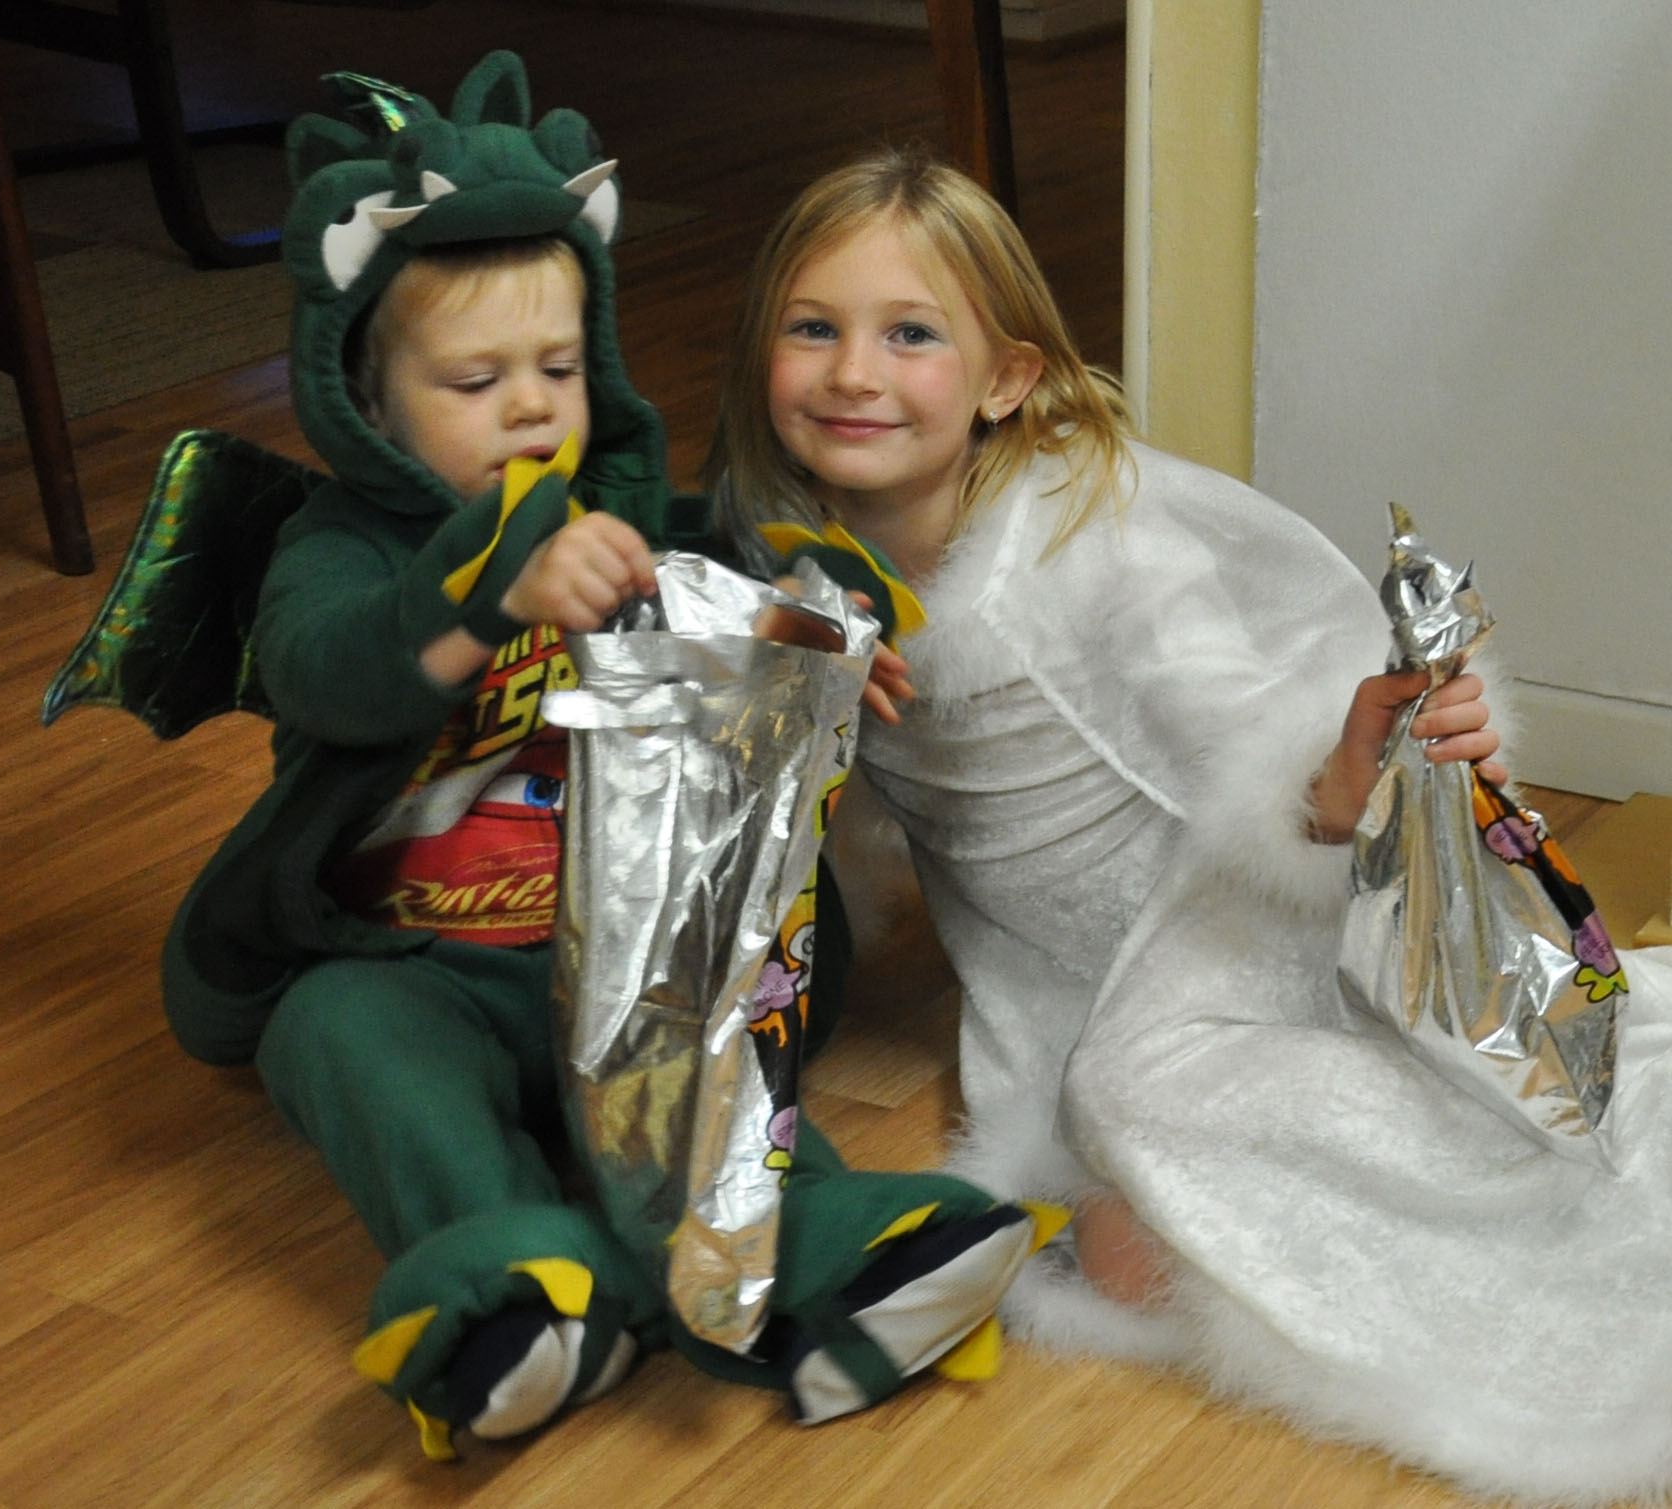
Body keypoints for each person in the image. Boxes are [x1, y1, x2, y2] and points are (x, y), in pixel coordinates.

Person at [707, 145, 1672, 1506]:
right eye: (814, 328)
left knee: (1136, 1102)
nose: (853, 372)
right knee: (1116, 1220)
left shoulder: (1097, 540)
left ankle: (1519, 1204)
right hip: (1050, 975)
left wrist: (1345, 775)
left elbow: (1253, 743)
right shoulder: (783, 558)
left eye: (909, 334)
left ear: (1006, 378)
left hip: (1230, 922)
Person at [158, 61, 1046, 1461]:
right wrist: (488, 589)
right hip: (407, 958)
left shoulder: (630, 526)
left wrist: (810, 636)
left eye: (560, 370)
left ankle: (811, 1243)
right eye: (475, 381)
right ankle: (516, 1276)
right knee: (342, 1039)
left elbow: (741, 587)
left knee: (700, 1034)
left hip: (621, 949)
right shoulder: (335, 554)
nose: (530, 409)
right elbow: (331, 670)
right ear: (367, 403)